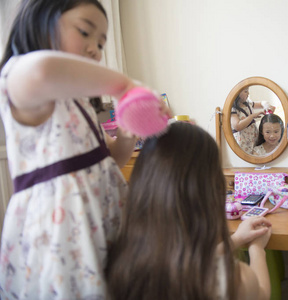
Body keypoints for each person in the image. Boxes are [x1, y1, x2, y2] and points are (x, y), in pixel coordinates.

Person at [0, 0, 169, 298]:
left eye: (102, 43)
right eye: (84, 32)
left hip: (100, 220)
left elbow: (109, 159)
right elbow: (42, 70)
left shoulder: (79, 103)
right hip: (61, 232)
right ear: (40, 20)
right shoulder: (20, 78)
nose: (95, 49)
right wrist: (125, 84)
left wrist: (127, 138)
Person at [106, 122, 273, 300]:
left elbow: (184, 263)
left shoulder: (121, 266)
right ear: (211, 191)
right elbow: (261, 293)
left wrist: (237, 238)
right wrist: (257, 249)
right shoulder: (235, 279)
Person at [230, 87, 274, 155]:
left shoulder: (248, 103)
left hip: (253, 138)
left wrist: (266, 105)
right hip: (242, 141)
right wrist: (252, 116)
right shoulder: (233, 109)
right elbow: (237, 126)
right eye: (245, 91)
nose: (248, 93)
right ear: (237, 93)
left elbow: (261, 103)